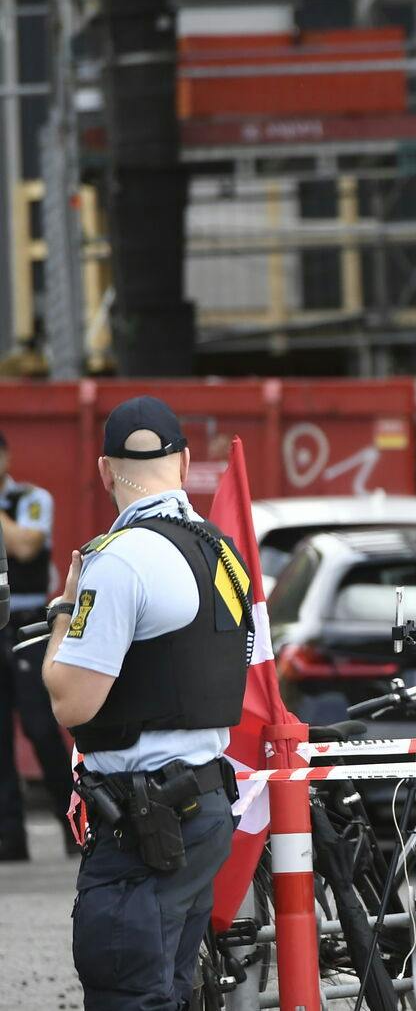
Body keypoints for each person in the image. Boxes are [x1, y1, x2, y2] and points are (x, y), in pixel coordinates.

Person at [42, 396, 251, 1008]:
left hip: (145, 825)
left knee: (127, 991)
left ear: (106, 471)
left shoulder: (119, 558)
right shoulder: (222, 553)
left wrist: (64, 609)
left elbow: (70, 701)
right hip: (204, 807)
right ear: (185, 464)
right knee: (171, 991)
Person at [0, 429, 73, 861]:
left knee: (40, 727)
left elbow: (25, 547)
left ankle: (72, 821)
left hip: (26, 625)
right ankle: (10, 837)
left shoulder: (30, 499)